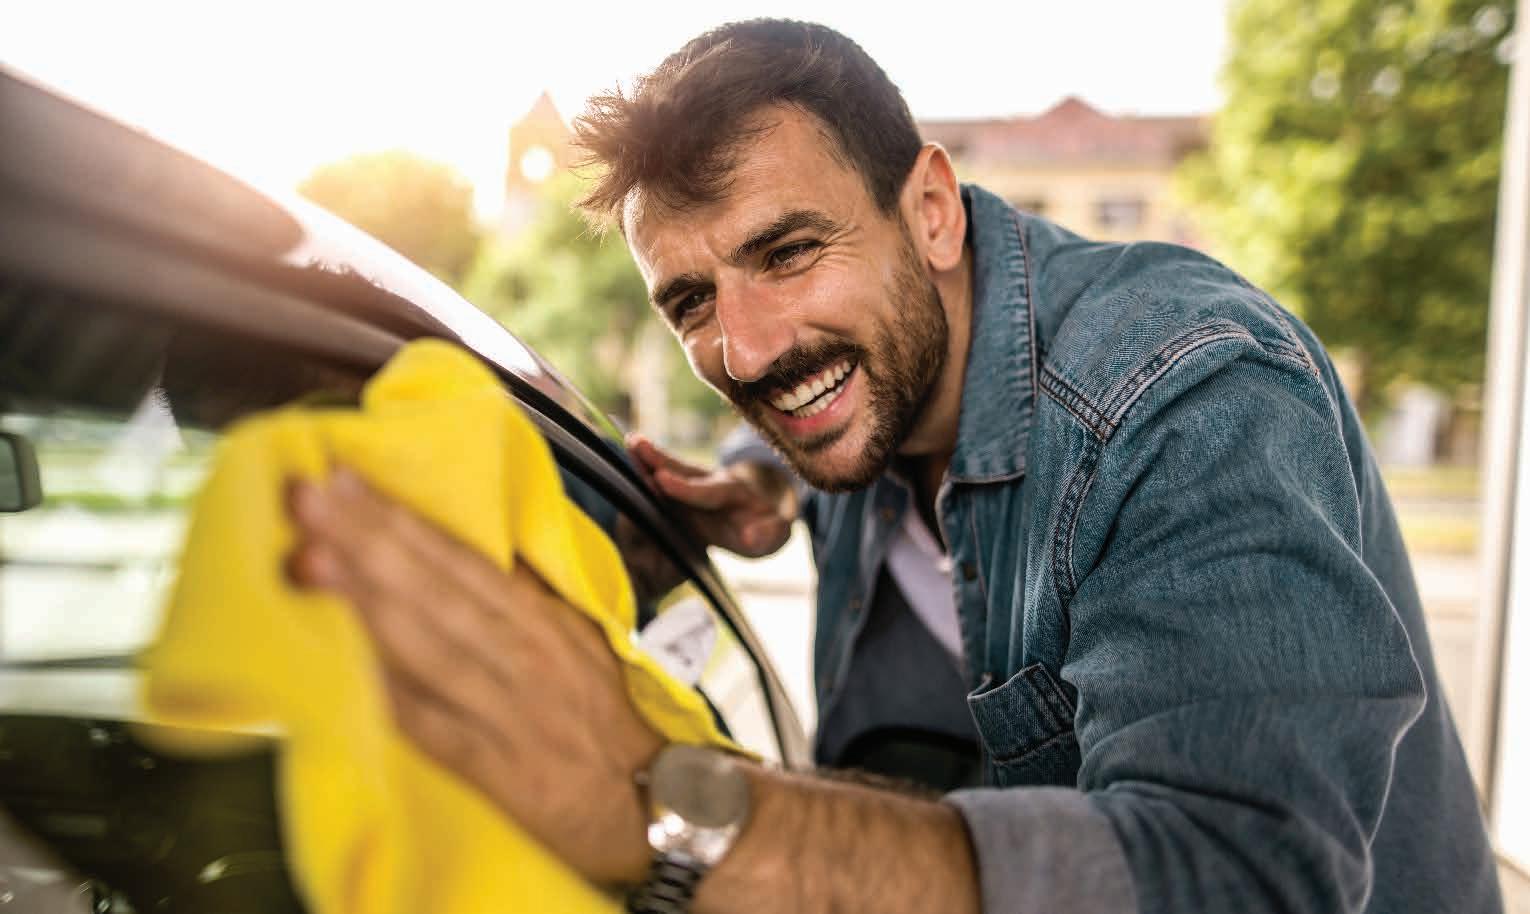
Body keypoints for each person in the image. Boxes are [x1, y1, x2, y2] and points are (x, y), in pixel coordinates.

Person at [285, 18, 1504, 914]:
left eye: (788, 251)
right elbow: (796, 405)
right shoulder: (865, 389)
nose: (745, 349)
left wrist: (662, 805)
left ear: (930, 208)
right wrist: (763, 484)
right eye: (692, 299)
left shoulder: (1183, 390)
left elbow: (1238, 877)